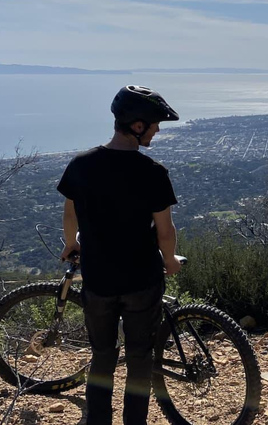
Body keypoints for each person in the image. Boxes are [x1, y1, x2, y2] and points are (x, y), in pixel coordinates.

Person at [57, 85, 183, 425]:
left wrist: (72, 244)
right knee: (140, 357)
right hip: (142, 280)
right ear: (137, 125)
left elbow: (70, 215)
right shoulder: (153, 173)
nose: (157, 130)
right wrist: (170, 261)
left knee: (102, 355)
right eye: (155, 124)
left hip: (98, 281)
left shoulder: (81, 165)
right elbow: (165, 231)